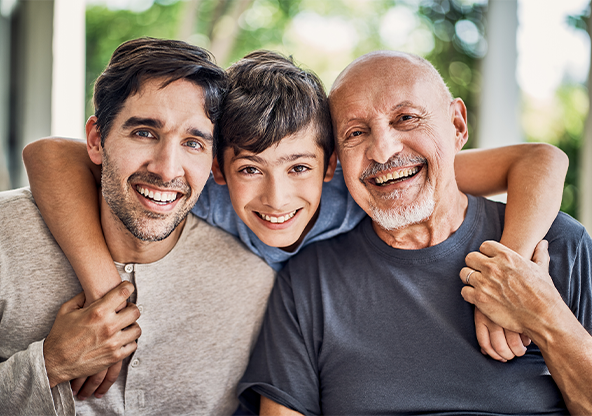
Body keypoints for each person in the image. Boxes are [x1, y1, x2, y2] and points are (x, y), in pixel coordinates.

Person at [24, 51, 566, 396]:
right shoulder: (205, 195)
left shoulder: (362, 187)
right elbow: (49, 153)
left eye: (299, 168)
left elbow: (542, 160)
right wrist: (108, 296)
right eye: (249, 169)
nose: (275, 197)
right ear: (219, 169)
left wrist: (511, 272)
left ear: (329, 165)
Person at [237, 51, 591, 415]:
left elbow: (542, 158)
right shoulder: (308, 279)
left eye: (406, 118)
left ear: (457, 125)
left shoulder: (556, 244)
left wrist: (546, 318)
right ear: (337, 160)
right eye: (356, 133)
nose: (383, 149)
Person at [0, 37, 275, 416]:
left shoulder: (254, 285)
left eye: (194, 142)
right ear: (97, 140)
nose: (166, 168)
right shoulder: (4, 236)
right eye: (144, 132)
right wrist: (49, 364)